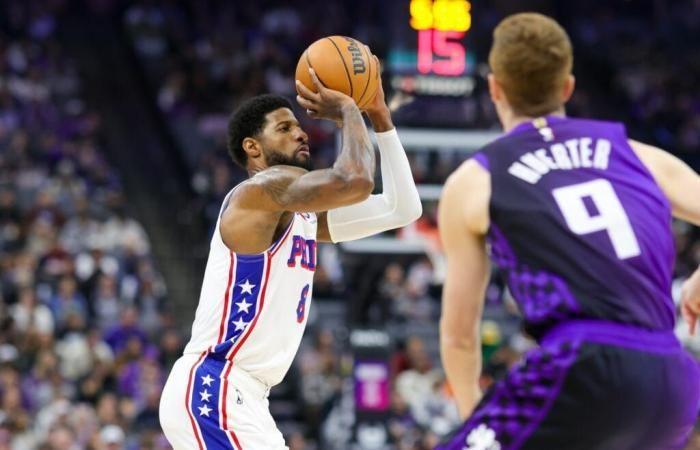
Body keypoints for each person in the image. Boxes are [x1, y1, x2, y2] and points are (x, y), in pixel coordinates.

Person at [437, 12, 700, 450]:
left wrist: (474, 420)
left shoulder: (474, 180)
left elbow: (459, 336)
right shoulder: (638, 155)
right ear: (567, 87)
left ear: (495, 88)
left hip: (583, 364)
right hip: (672, 374)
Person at [159, 63, 421, 449]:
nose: (300, 132)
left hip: (247, 397)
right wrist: (350, 109)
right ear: (253, 148)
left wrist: (381, 116)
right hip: (214, 387)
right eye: (284, 128)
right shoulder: (261, 191)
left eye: (298, 126)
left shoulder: (303, 217)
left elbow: (402, 209)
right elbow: (356, 181)